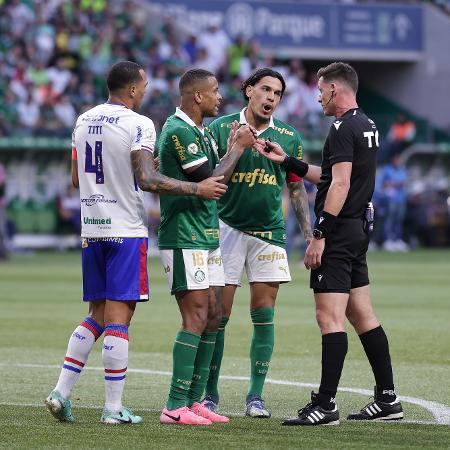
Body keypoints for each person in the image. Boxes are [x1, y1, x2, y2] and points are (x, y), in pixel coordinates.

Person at [45, 61, 228, 425]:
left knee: (97, 312)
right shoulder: (140, 123)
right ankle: (113, 409)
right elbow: (145, 179)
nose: (144, 92)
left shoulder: (83, 120)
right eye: (143, 86)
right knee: (119, 316)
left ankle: (61, 392)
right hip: (125, 230)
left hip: (92, 228)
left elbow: (76, 178)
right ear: (131, 90)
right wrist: (195, 187)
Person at [254, 62, 403, 426]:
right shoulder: (366, 124)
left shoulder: (340, 127)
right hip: (357, 229)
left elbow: (338, 186)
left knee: (328, 317)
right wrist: (289, 161)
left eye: (321, 90)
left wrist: (318, 235)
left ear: (334, 90)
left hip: (338, 232)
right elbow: (334, 176)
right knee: (361, 314)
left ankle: (325, 404)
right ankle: (388, 399)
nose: (318, 97)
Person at [201, 68, 312, 418]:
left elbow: (296, 187)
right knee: (218, 316)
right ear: (249, 91)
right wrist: (237, 146)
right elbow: (213, 178)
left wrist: (309, 236)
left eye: (277, 93)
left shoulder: (288, 137)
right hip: (227, 229)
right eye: (265, 90)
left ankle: (255, 396)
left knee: (264, 314)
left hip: (269, 233)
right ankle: (210, 394)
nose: (271, 98)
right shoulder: (221, 129)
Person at [157, 68, 257, 426]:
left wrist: (231, 149)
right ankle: (174, 405)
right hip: (183, 236)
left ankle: (195, 400)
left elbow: (218, 172)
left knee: (213, 316)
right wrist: (239, 148)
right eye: (214, 91)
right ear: (197, 96)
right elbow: (210, 178)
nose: (219, 97)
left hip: (207, 235)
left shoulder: (201, 131)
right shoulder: (179, 130)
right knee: (196, 316)